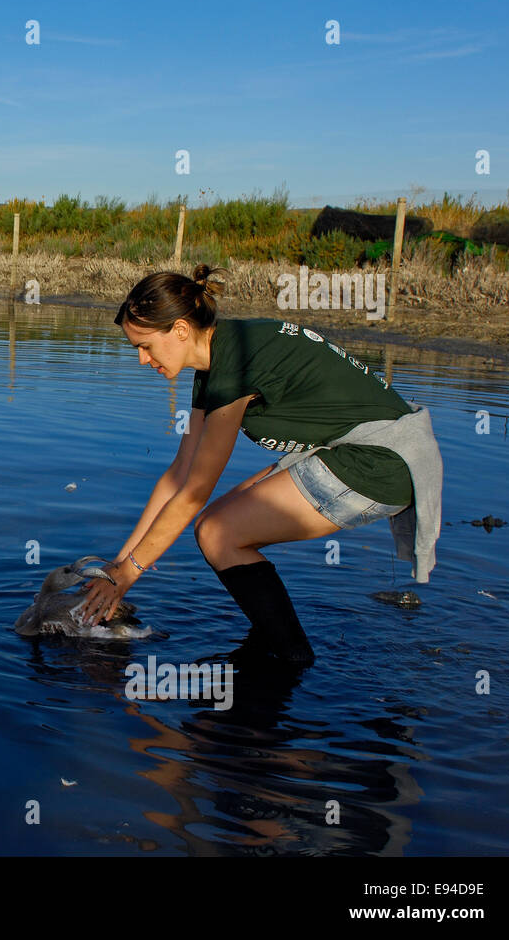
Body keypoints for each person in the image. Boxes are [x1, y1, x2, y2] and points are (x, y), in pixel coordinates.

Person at [79, 264, 442, 665]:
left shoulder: (232, 365)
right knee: (219, 523)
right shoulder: (213, 361)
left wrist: (131, 572)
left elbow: (194, 493)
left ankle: (292, 657)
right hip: (355, 449)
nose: (142, 360)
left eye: (145, 346)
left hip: (380, 460)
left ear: (180, 330)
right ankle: (270, 639)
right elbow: (179, 473)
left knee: (219, 532)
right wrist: (118, 567)